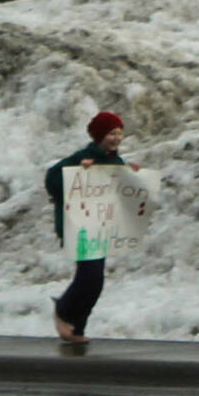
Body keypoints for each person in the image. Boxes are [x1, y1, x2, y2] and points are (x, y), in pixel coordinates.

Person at [43, 111, 136, 343]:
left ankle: (76, 328)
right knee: (90, 275)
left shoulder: (116, 162)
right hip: (78, 225)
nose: (115, 138)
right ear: (98, 136)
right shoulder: (83, 157)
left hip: (99, 225)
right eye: (110, 134)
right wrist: (77, 174)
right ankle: (63, 311)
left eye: (118, 133)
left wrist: (134, 178)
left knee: (96, 281)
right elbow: (52, 180)